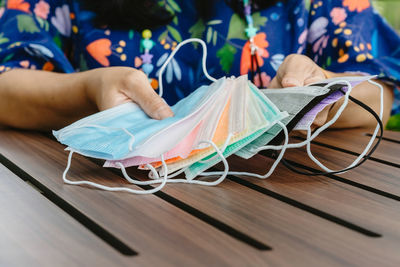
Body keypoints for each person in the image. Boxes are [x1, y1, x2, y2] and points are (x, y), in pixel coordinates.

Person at [0, 0, 398, 131]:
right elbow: (6, 85)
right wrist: (87, 90)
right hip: (99, 202)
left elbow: (384, 90)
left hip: (280, 205)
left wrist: (325, 86)